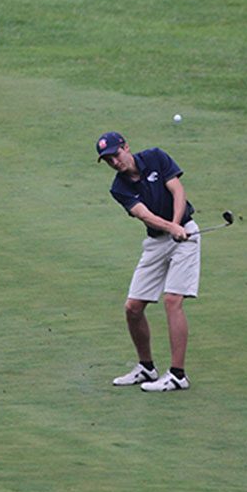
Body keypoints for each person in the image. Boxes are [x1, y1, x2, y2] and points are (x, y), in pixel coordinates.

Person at [96, 131, 200, 392]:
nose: (115, 162)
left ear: (126, 147)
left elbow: (177, 191)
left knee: (172, 301)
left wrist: (176, 226)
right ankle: (146, 367)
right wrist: (169, 228)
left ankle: (178, 375)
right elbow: (144, 215)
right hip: (156, 241)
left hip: (186, 234)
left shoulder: (155, 157)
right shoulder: (119, 188)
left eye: (116, 155)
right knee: (132, 307)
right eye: (108, 160)